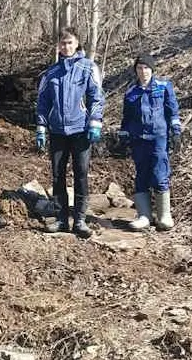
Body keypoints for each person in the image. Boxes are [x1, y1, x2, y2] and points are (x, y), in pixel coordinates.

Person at [35, 27, 105, 238]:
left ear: (77, 44)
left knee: (81, 174)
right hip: (57, 131)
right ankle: (61, 218)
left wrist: (95, 122)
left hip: (81, 130)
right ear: (58, 46)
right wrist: (41, 127)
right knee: (58, 176)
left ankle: (81, 220)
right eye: (63, 43)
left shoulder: (88, 68)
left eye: (70, 43)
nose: (66, 47)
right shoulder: (50, 73)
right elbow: (42, 102)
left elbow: (96, 96)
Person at [118, 54, 181, 231]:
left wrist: (176, 133)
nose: (143, 71)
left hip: (159, 138)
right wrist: (123, 135)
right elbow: (127, 118)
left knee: (160, 174)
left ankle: (164, 215)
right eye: (139, 68)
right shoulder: (131, 92)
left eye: (146, 68)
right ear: (136, 71)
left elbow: (173, 112)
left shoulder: (163, 87)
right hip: (138, 140)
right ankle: (144, 215)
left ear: (152, 70)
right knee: (141, 175)